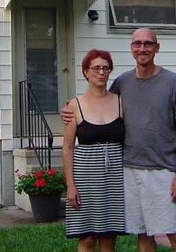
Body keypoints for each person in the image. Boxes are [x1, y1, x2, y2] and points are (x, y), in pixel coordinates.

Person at [62, 28, 176, 252]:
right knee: (142, 234)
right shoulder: (123, 83)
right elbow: (97, 98)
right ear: (131, 48)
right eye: (137, 44)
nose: (142, 48)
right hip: (129, 170)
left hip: (163, 170)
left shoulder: (173, 82)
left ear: (157, 47)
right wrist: (68, 107)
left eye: (148, 44)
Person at [63, 49, 126, 252]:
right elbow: (68, 147)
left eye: (106, 68)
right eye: (96, 68)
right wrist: (70, 185)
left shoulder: (120, 102)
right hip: (85, 180)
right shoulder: (74, 105)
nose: (101, 72)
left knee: (109, 239)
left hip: (114, 180)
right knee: (87, 239)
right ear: (86, 72)